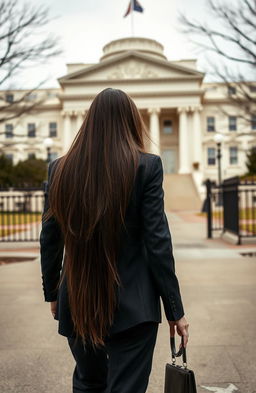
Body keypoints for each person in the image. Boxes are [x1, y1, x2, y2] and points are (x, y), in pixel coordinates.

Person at [40, 87, 189, 393]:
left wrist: (53, 293)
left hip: (78, 299)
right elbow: (158, 242)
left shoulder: (59, 169)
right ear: (131, 122)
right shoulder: (147, 166)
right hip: (134, 305)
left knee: (88, 384)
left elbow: (50, 240)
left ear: (89, 122)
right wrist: (175, 310)